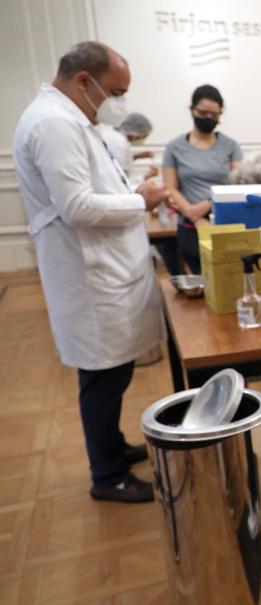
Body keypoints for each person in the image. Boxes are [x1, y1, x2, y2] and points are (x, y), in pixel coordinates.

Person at [12, 41, 167, 503]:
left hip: (106, 270)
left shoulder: (73, 120)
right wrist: (141, 201)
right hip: (90, 277)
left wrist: (133, 190)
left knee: (112, 375)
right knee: (103, 378)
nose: (118, 103)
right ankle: (108, 475)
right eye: (114, 92)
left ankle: (112, 447)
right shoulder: (55, 124)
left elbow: (97, 186)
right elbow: (77, 206)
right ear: (84, 80)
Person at [162, 84, 242, 273]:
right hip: (189, 225)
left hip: (224, 221)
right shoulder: (174, 147)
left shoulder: (230, 146)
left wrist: (207, 205)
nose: (208, 118)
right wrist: (192, 213)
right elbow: (170, 188)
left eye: (214, 115)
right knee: (200, 278)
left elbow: (237, 183)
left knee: (229, 277)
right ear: (192, 110)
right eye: (203, 113)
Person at [99, 112, 156, 185]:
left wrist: (136, 157)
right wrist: (146, 176)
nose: (143, 140)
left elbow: (114, 160)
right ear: (136, 134)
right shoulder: (120, 144)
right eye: (144, 136)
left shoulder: (110, 134)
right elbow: (122, 180)